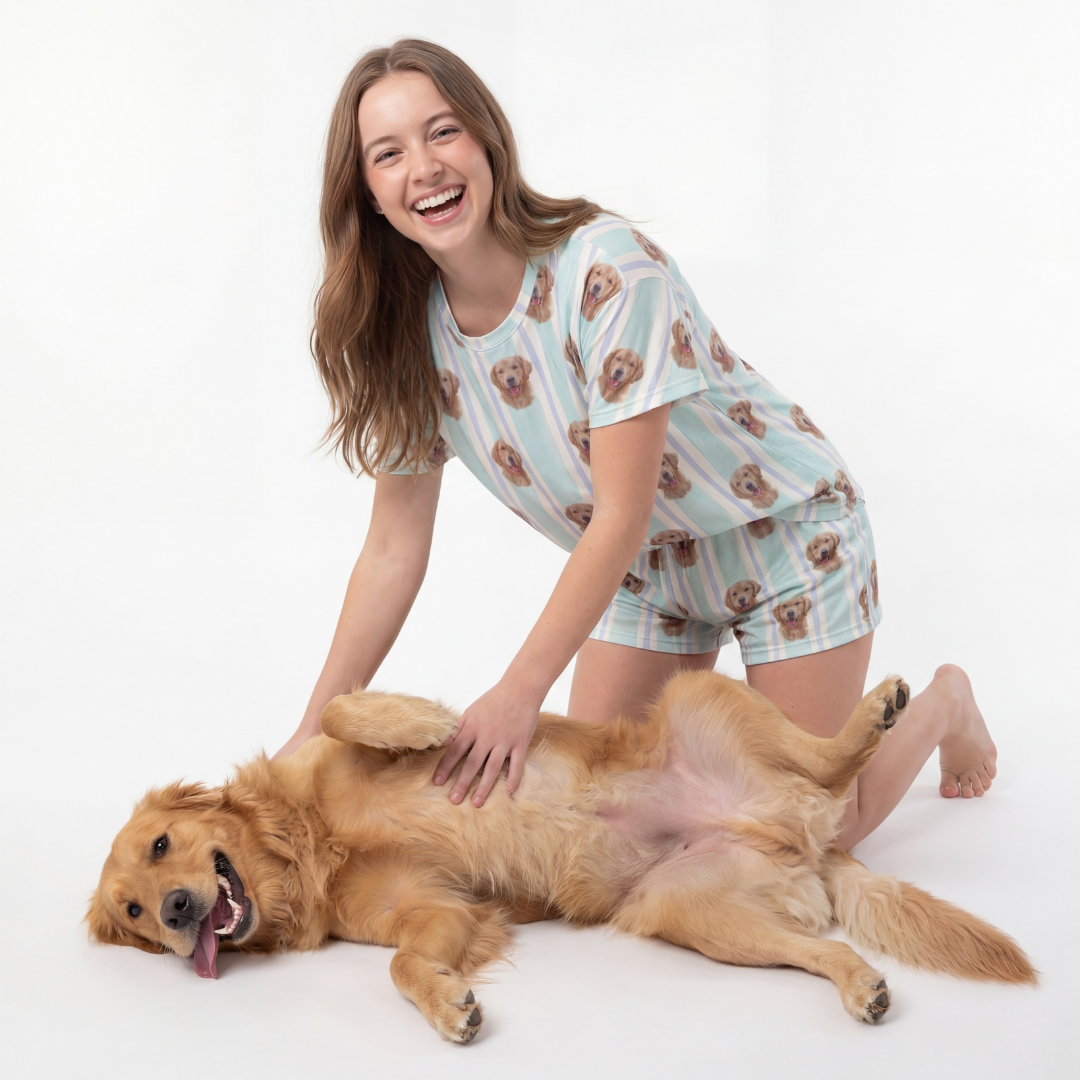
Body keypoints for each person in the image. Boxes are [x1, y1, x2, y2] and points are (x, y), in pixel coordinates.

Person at [274, 39, 996, 849]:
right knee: (598, 822)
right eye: (389, 153)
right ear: (368, 192)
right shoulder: (407, 339)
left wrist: (518, 690)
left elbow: (620, 509)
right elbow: (390, 550)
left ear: (486, 141)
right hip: (648, 573)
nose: (425, 167)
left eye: (443, 133)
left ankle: (944, 705)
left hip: (787, 539)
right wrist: (312, 735)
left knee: (811, 832)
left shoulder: (605, 269)